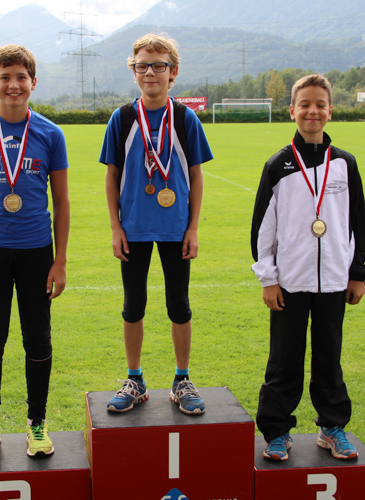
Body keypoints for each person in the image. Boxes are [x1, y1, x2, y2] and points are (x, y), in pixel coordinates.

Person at [0, 44, 70, 458]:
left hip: (37, 252)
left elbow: (62, 203)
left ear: (33, 82)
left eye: (21, 77)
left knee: (38, 340)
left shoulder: (51, 134)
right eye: (5, 77)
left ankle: (37, 424)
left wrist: (59, 261)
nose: (13, 85)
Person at [250, 74, 365, 461]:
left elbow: (357, 221)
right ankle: (277, 431)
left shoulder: (345, 164)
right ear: (292, 111)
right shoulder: (279, 164)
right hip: (289, 282)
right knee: (284, 361)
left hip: (334, 280)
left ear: (330, 110)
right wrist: (268, 279)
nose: (312, 111)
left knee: (328, 359)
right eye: (305, 104)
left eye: (320, 104)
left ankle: (332, 427)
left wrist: (357, 272)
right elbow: (262, 229)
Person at [100, 33, 213, 415]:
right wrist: (115, 227)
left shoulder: (185, 118)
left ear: (173, 72)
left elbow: (196, 175)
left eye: (158, 66)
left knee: (179, 304)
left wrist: (193, 228)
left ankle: (182, 380)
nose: (150, 72)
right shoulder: (122, 118)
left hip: (175, 228)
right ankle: (135, 379)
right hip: (133, 227)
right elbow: (111, 175)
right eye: (142, 66)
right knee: (133, 304)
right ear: (133, 71)